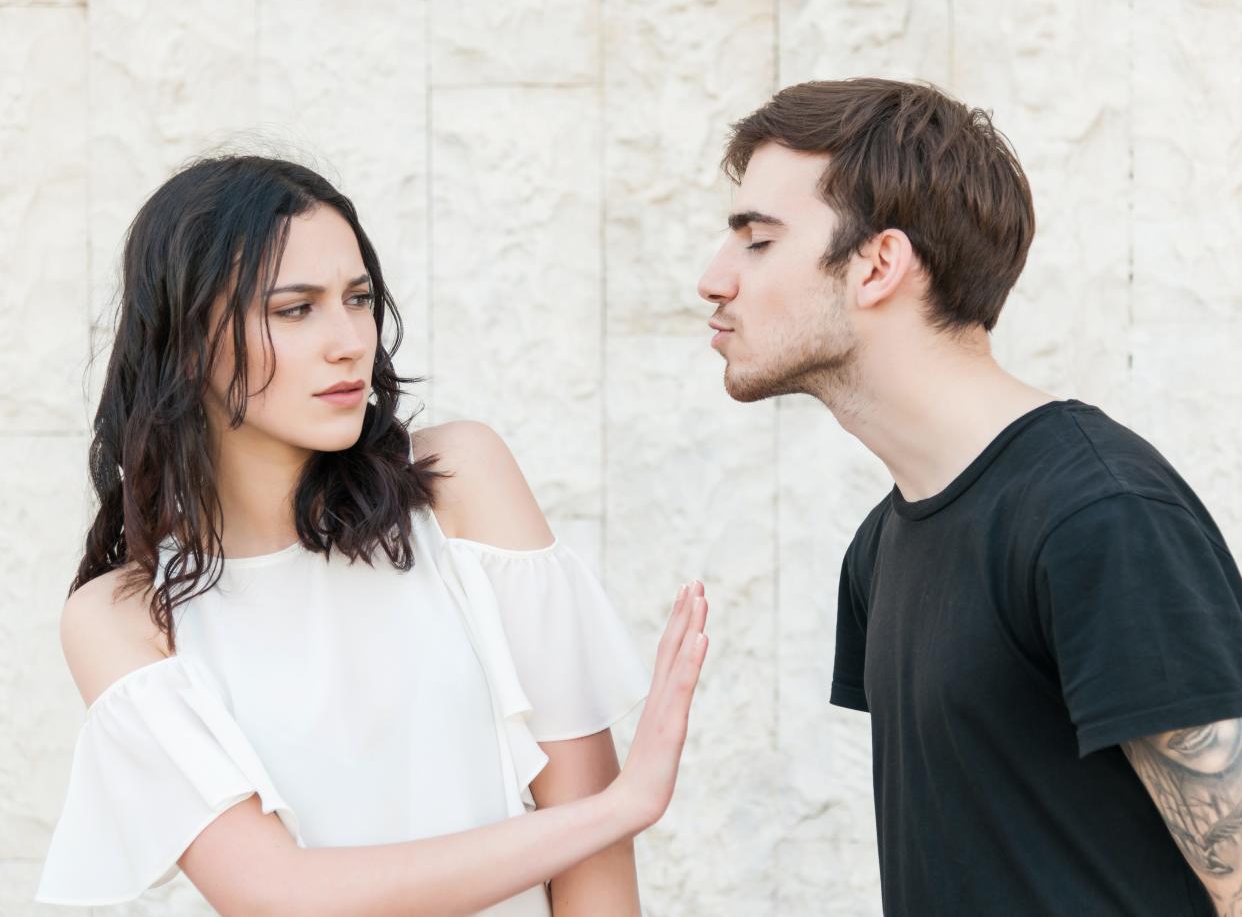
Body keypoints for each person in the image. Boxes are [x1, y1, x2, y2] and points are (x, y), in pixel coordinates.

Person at [36, 155, 710, 915]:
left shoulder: (460, 483)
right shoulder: (124, 616)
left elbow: (597, 881)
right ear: (187, 340)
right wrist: (615, 810)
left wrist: (599, 822)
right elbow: (281, 896)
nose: (350, 341)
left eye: (358, 299)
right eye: (295, 310)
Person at [698, 78, 1242, 915]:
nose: (714, 279)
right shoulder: (881, 549)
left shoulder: (1099, 518)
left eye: (758, 243)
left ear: (879, 264)